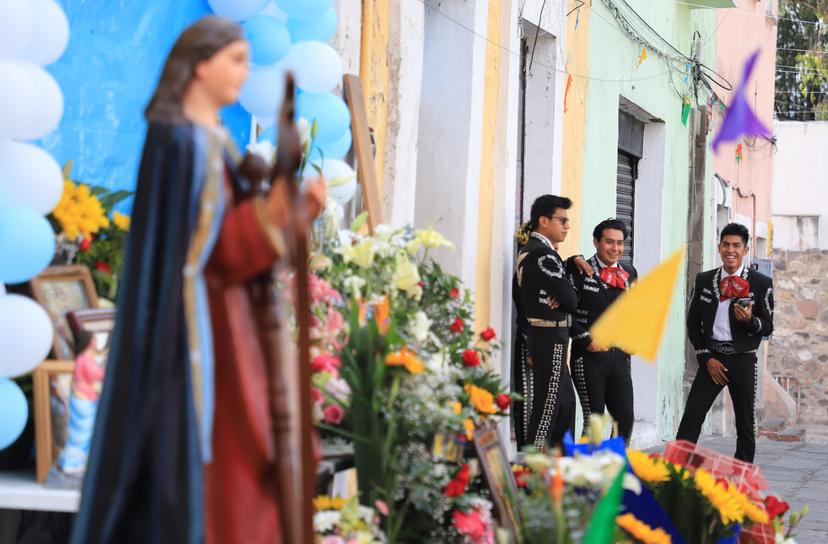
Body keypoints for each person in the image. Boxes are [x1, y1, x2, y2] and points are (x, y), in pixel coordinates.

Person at [71, 17, 326, 544]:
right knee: (225, 472)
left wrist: (288, 216)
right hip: (198, 334)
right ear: (200, 64)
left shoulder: (213, 142)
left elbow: (237, 246)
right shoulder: (180, 143)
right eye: (235, 59)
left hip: (230, 328)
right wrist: (277, 215)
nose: (245, 72)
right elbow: (211, 254)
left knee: (246, 473)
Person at [676, 223, 773, 463]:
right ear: (719, 247)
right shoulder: (704, 279)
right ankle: (674, 473)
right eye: (726, 245)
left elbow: (768, 326)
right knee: (691, 418)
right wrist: (706, 358)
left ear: (746, 249)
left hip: (743, 359)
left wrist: (751, 322)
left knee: (745, 424)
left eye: (737, 246)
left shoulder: (761, 283)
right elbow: (692, 324)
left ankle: (743, 479)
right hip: (712, 359)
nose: (731, 250)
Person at [512, 195, 587, 450]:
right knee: (547, 409)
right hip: (547, 337)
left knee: (564, 404)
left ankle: (559, 469)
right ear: (543, 221)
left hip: (553, 336)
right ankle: (533, 469)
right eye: (562, 220)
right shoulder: (540, 254)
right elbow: (570, 297)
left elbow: (566, 295)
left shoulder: (542, 253)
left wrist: (566, 291)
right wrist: (566, 294)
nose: (567, 226)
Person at [567, 219, 638, 444]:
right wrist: (585, 339)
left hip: (620, 357)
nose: (615, 249)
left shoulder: (629, 271)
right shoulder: (580, 270)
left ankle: (612, 473)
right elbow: (565, 313)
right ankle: (584, 476)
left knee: (625, 420)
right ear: (596, 242)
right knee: (594, 421)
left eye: (620, 243)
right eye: (609, 242)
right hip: (588, 357)